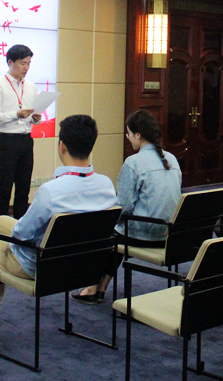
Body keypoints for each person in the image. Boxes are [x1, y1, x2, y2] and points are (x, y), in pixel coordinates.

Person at [0, 115, 117, 328]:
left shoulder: (51, 192)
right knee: (1, 225)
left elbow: (21, 233)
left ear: (62, 146)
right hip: (85, 267)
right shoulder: (106, 186)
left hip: (43, 268)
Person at [72, 110, 182, 304]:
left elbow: (123, 207)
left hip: (145, 233)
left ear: (138, 135)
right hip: (170, 233)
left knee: (106, 230)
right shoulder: (172, 159)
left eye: (128, 133)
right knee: (118, 230)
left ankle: (92, 287)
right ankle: (100, 287)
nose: (127, 137)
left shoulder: (133, 163)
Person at [0, 44, 42, 219]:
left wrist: (35, 118)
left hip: (26, 140)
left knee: (24, 188)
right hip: (7, 141)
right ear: (10, 62)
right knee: (5, 187)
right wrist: (16, 114)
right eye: (22, 63)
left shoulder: (31, 86)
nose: (26, 68)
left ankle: (21, 226)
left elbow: (31, 115)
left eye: (28, 64)